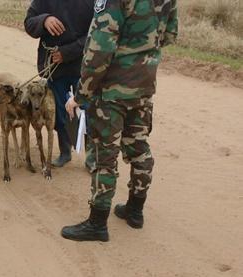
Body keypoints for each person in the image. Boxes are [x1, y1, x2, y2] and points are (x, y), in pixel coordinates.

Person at [62, 0, 178, 241]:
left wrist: (81, 95)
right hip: (144, 84)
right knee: (139, 147)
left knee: (105, 155)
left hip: (112, 91)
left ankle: (97, 223)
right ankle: (135, 211)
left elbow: (100, 47)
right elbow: (169, 35)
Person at [24, 0, 95, 169]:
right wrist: (44, 20)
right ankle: (65, 152)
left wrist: (67, 52)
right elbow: (28, 23)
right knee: (59, 113)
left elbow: (97, 34)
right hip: (55, 69)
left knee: (88, 113)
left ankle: (92, 157)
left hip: (83, 67)